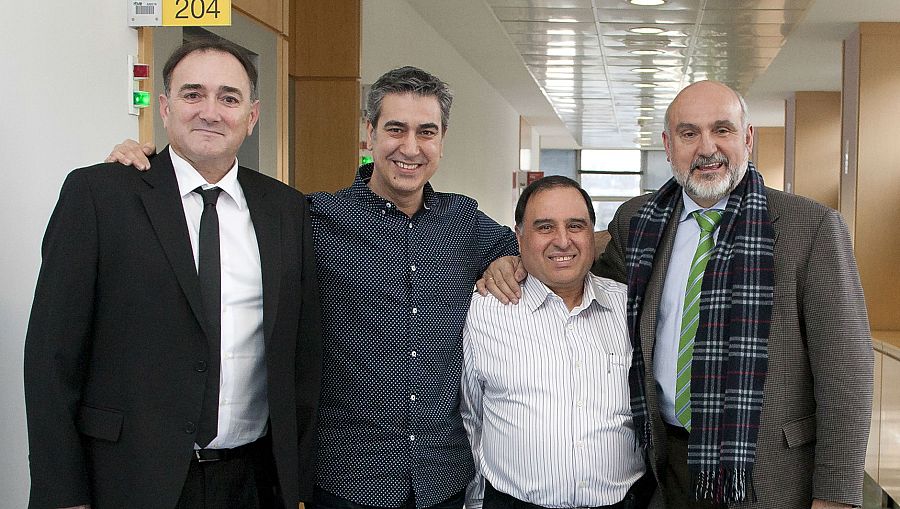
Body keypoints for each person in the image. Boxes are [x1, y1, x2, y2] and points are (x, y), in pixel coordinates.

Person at [105, 66, 520, 509]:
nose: (410, 148)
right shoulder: (308, 219)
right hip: (345, 478)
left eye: (427, 132)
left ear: (442, 139)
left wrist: (507, 259)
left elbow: (531, 249)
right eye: (395, 129)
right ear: (370, 132)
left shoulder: (464, 222)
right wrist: (146, 169)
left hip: (441, 479)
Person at [480, 81, 873, 509]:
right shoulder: (640, 221)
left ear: (748, 137)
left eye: (722, 129)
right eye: (689, 133)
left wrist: (836, 496)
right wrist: (511, 260)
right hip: (665, 464)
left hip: (765, 469)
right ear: (669, 146)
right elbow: (578, 266)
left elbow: (846, 374)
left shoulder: (809, 227)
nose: (707, 148)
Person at [24, 39, 323, 509]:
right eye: (192, 94)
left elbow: (300, 355)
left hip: (252, 481)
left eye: (229, 98)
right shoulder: (100, 196)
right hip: (128, 478)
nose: (210, 111)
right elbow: (52, 357)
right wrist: (62, 492)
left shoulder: (286, 208)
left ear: (252, 115)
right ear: (164, 107)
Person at [462, 176, 654, 509]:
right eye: (545, 227)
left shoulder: (631, 310)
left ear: (593, 236)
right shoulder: (484, 312)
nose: (562, 241)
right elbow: (470, 418)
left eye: (576, 226)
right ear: (519, 238)